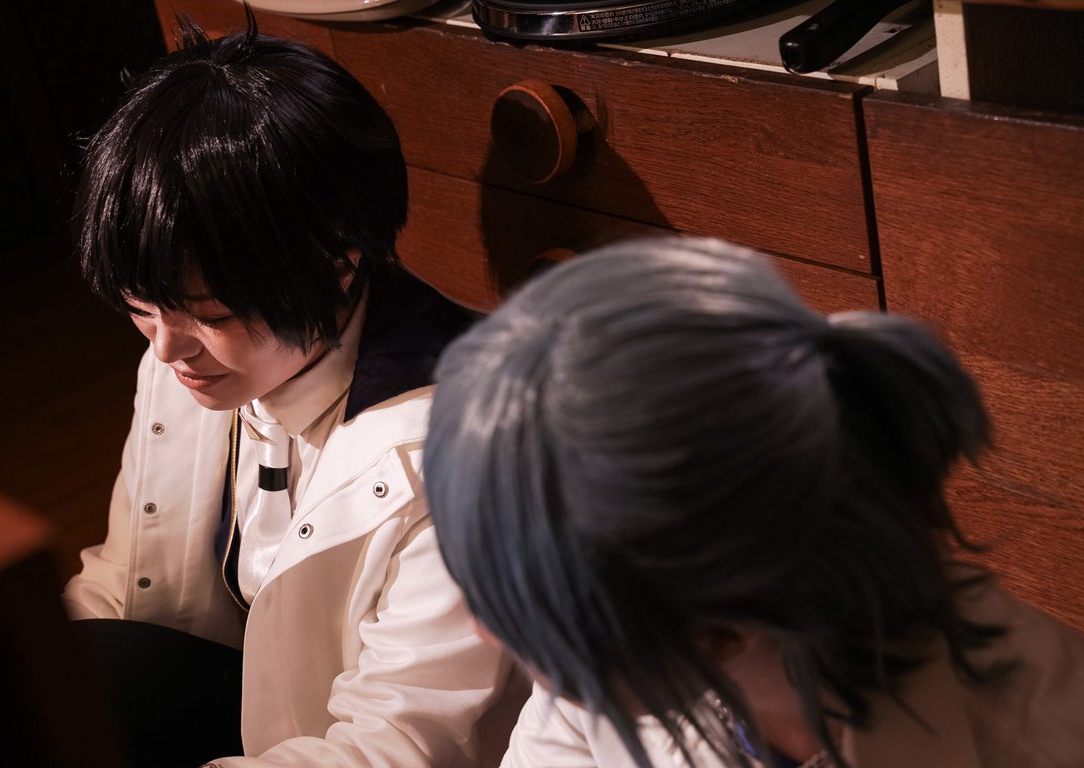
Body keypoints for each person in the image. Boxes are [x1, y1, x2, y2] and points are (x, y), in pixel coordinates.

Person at [423, 236, 1084, 768]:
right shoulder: (616, 661)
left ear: (722, 632)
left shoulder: (1042, 740)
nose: (485, 629)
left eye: (518, 605)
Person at [63, 13, 516, 768]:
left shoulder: (464, 456)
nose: (165, 348)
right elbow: (124, 583)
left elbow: (398, 744)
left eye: (211, 315)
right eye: (140, 306)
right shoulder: (191, 357)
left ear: (339, 263)